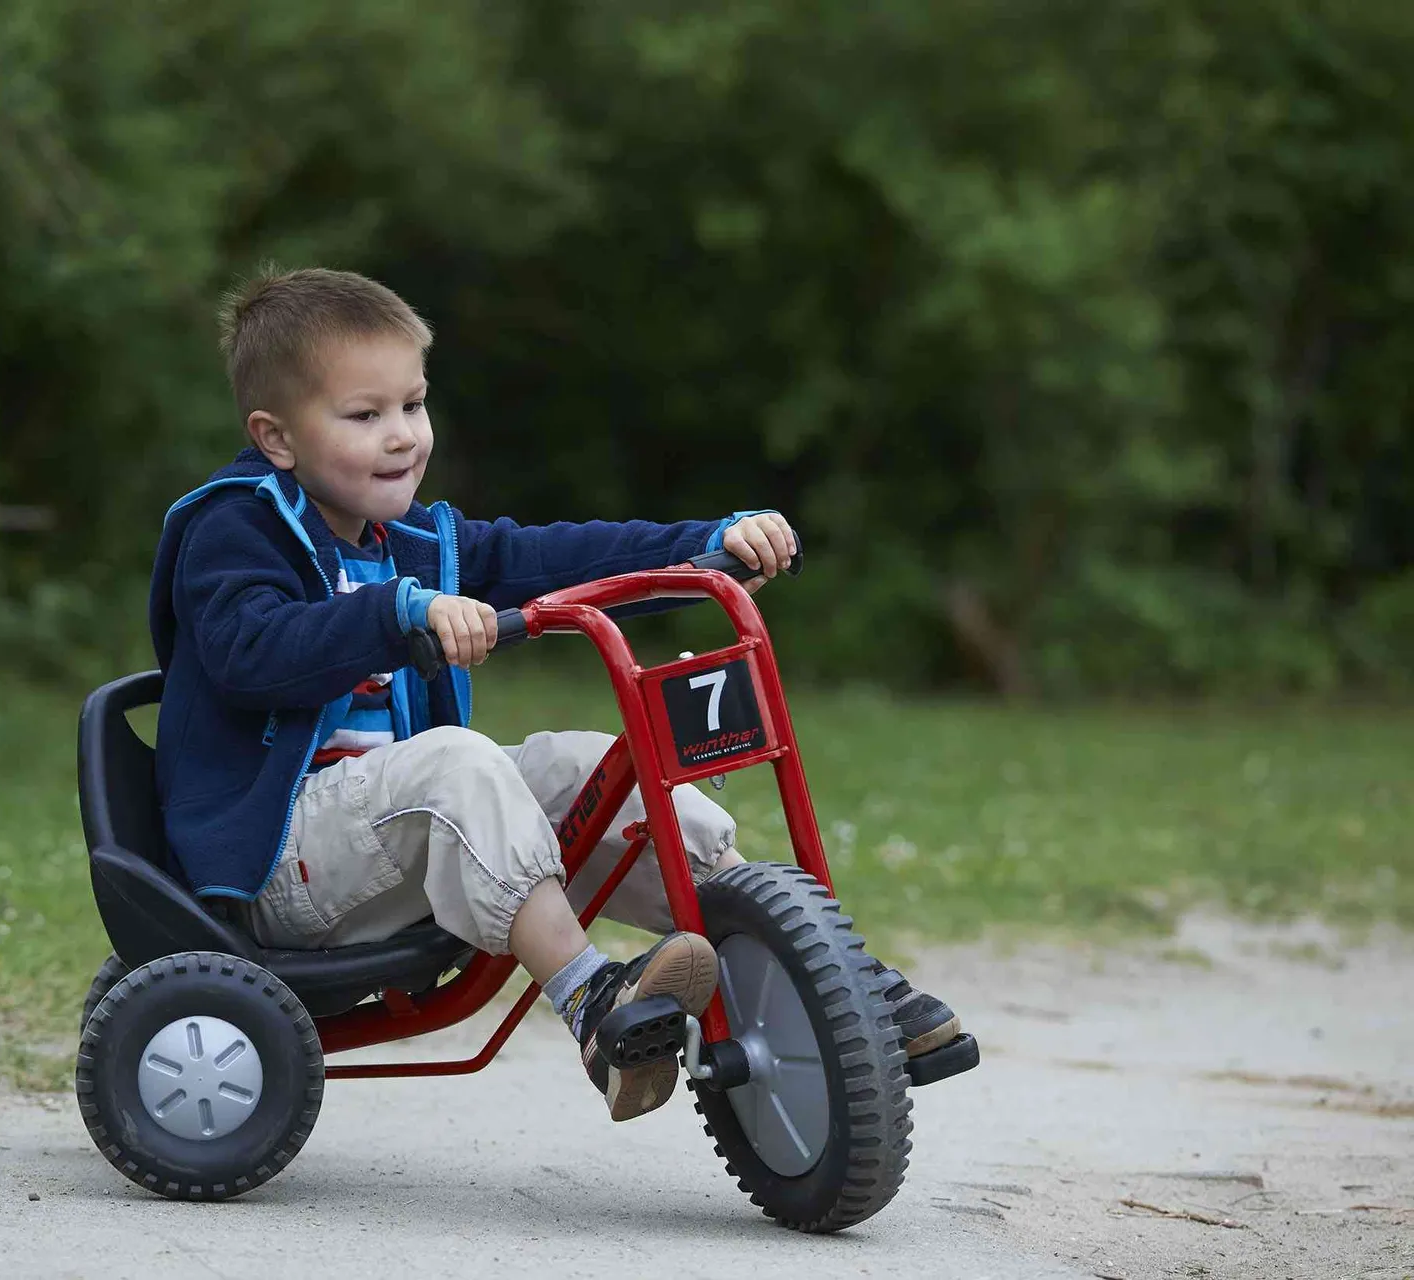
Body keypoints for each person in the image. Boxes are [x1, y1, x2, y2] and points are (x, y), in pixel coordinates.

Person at [148, 266, 960, 1120]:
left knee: (587, 766)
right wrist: (396, 614)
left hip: (392, 846)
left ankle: (828, 979)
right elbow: (249, 651)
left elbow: (561, 558)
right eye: (365, 415)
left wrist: (707, 546)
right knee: (457, 763)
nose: (403, 437)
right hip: (278, 863)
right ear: (277, 438)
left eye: (414, 406)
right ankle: (594, 1006)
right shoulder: (233, 528)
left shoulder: (418, 539)